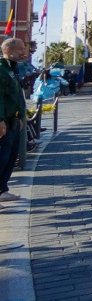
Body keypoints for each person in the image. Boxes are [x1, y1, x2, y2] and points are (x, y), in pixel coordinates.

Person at [0, 37, 28, 202]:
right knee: (2, 156)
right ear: (9, 51)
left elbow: (16, 96)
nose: (23, 52)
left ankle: (2, 190)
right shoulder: (2, 70)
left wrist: (21, 116)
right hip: (5, 120)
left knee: (10, 157)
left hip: (14, 120)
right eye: (20, 49)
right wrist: (1, 119)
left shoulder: (12, 69)